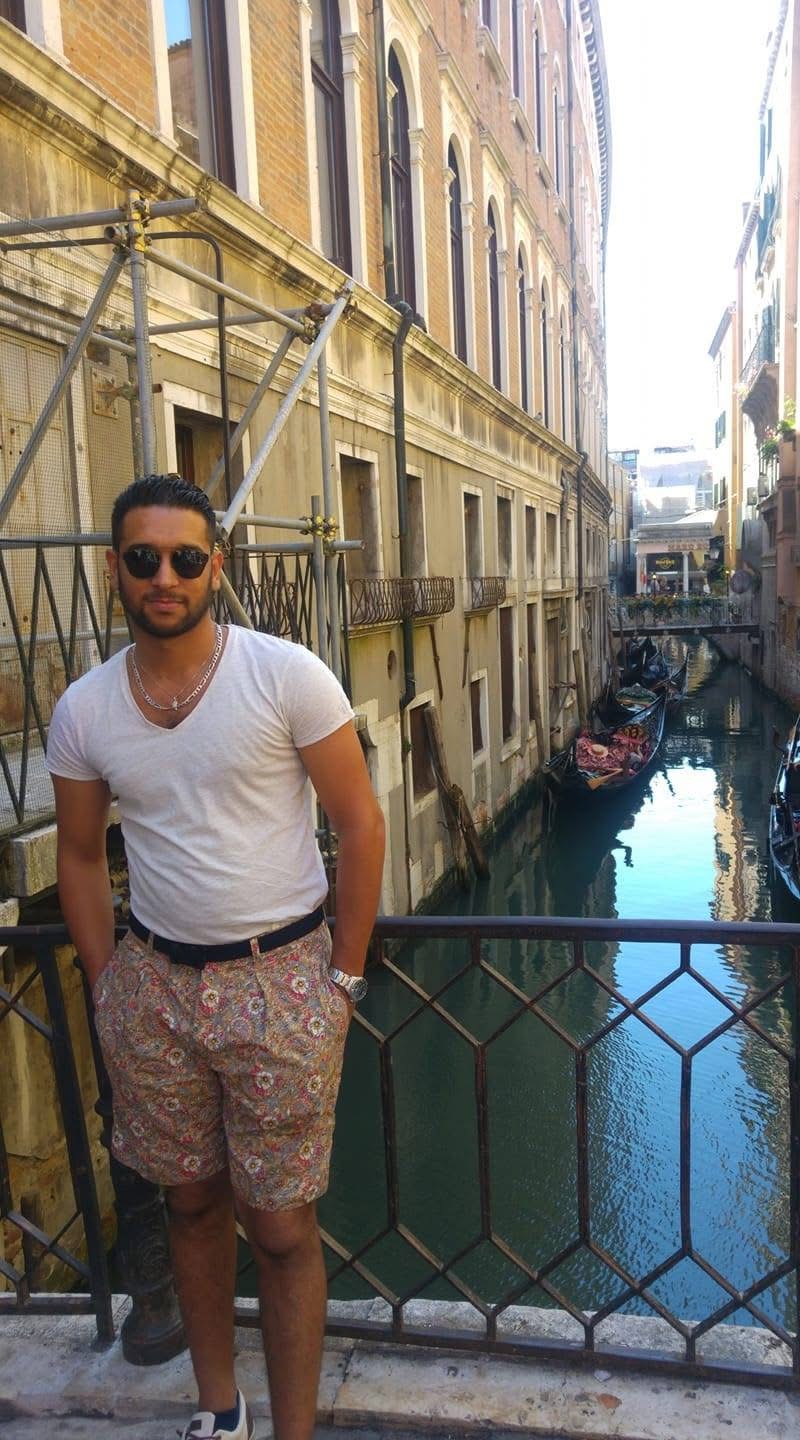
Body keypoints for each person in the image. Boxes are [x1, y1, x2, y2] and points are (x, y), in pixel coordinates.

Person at [46, 474, 386, 1440]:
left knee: (280, 1230)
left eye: (186, 558)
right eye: (144, 558)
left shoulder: (286, 675)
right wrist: (108, 986)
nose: (165, 576)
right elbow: (80, 857)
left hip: (282, 982)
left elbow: (360, 826)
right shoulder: (85, 709)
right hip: (153, 989)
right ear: (115, 568)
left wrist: (343, 978)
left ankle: (293, 1432)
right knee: (191, 1207)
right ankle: (219, 1410)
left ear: (214, 567)